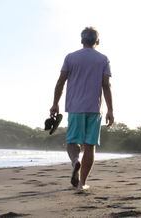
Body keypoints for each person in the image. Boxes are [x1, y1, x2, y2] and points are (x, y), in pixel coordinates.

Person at [50, 27, 114, 191]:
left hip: (75, 108)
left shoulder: (71, 58)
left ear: (81, 40)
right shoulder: (103, 59)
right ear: (97, 41)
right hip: (94, 108)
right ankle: (81, 183)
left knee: (72, 142)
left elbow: (60, 82)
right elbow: (106, 86)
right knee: (90, 145)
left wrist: (55, 103)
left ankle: (75, 161)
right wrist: (110, 110)